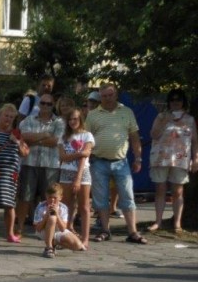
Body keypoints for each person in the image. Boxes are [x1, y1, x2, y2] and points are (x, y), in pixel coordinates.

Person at [85, 83, 147, 244]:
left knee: (127, 196)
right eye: (104, 96)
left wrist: (138, 158)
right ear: (100, 97)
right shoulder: (93, 115)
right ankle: (105, 230)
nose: (107, 98)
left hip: (121, 162)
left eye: (110, 95)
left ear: (116, 95)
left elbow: (134, 137)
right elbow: (86, 138)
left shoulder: (127, 112)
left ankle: (132, 232)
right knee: (100, 198)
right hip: (98, 161)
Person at [148, 88, 198, 233]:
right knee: (160, 190)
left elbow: (195, 141)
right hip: (160, 158)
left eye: (179, 100)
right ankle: (158, 222)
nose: (175, 102)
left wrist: (196, 158)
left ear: (183, 102)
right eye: (172, 100)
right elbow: (153, 135)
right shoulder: (161, 116)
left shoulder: (189, 119)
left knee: (178, 191)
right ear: (168, 102)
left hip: (180, 159)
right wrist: (165, 121)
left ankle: (177, 223)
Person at [16, 92, 64, 238]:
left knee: (49, 198)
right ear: (39, 104)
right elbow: (24, 137)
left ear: (53, 105)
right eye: (42, 103)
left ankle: (47, 228)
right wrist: (45, 135)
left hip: (50, 165)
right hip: (30, 163)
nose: (45, 106)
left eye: (49, 104)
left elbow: (55, 141)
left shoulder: (59, 122)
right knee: (25, 197)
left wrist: (35, 139)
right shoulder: (29, 119)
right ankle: (19, 228)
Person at [0, 103, 27, 244]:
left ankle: (10, 234)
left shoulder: (16, 133)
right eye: (6, 116)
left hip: (10, 175)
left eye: (11, 117)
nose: (8, 119)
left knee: (10, 205)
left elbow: (25, 153)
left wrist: (17, 141)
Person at [58, 108, 94, 246]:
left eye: (75, 119)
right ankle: (66, 235)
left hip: (82, 172)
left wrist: (78, 179)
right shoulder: (63, 137)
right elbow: (62, 157)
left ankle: (85, 239)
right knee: (66, 205)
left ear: (80, 120)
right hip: (66, 172)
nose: (72, 122)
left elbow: (85, 156)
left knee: (84, 206)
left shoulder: (87, 135)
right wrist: (79, 154)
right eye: (70, 119)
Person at [33, 182, 85, 258]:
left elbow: (63, 228)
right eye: (49, 197)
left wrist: (57, 214)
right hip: (43, 231)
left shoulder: (63, 207)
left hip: (58, 231)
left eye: (55, 198)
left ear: (60, 197)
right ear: (46, 196)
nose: (52, 200)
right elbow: (38, 228)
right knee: (52, 218)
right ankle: (49, 247)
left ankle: (54, 242)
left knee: (78, 246)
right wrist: (46, 215)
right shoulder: (41, 206)